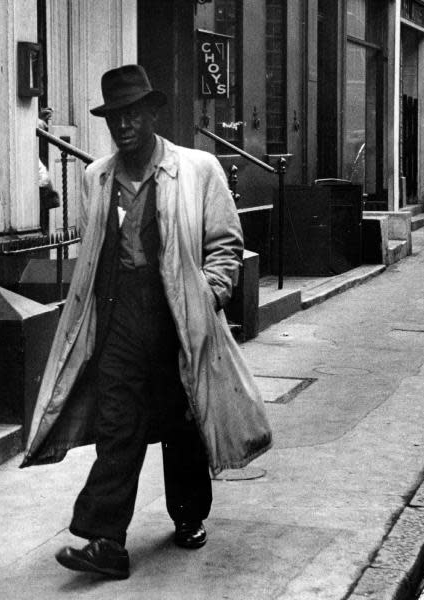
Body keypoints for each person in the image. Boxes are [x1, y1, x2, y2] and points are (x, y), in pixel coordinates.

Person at [21, 65, 272, 579]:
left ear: (151, 114)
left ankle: (188, 516)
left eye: (133, 114)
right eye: (115, 117)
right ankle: (106, 541)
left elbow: (227, 246)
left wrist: (210, 297)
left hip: (178, 317)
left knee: (183, 423)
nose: (124, 125)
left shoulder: (196, 169)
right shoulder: (97, 177)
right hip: (118, 317)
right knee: (118, 426)